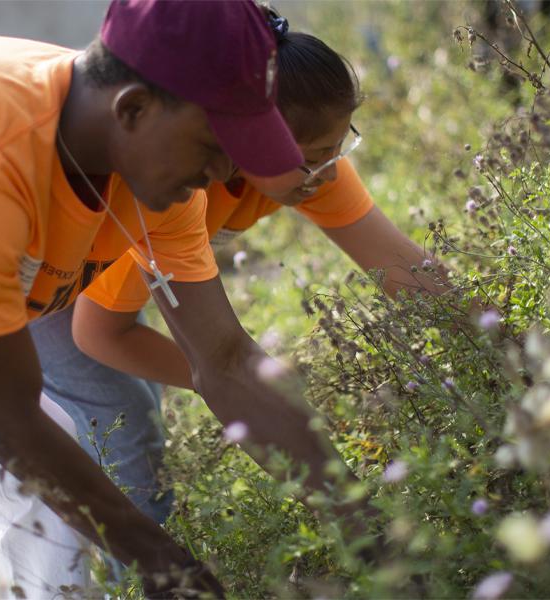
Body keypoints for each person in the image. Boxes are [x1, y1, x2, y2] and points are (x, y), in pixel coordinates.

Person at [0, 1, 325, 597]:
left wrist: (353, 508)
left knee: (48, 486)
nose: (224, 171)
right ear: (133, 108)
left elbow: (224, 358)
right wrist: (165, 564)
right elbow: (9, 422)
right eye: (214, 146)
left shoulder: (162, 176)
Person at [28, 9, 448, 528]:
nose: (327, 171)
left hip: (87, 283)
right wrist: (256, 391)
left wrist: (504, 341)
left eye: (339, 148)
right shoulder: (170, 189)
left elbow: (400, 264)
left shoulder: (313, 169)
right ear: (250, 139)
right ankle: (130, 571)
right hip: (48, 294)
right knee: (127, 422)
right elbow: (100, 333)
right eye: (313, 156)